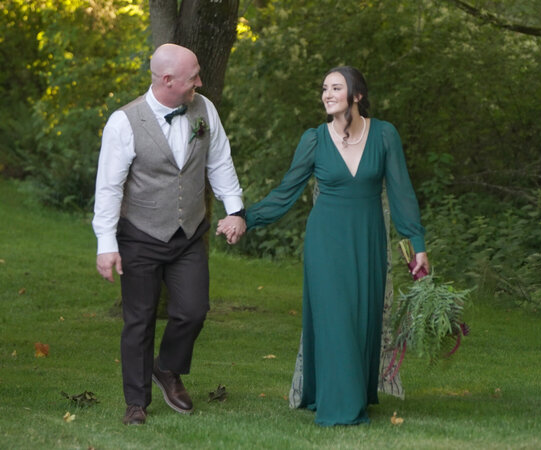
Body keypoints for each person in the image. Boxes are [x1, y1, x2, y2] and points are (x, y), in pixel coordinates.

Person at [218, 66, 428, 426]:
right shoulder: (314, 139)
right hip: (325, 242)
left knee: (361, 317)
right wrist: (244, 217)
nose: (327, 94)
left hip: (368, 240)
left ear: (357, 95)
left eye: (336, 88)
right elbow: (286, 192)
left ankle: (346, 392)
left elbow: (402, 194)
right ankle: (341, 408)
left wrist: (417, 245)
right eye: (324, 89)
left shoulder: (384, 135)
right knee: (334, 318)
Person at [92, 43, 246, 426]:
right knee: (139, 320)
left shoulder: (203, 109)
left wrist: (235, 210)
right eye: (194, 76)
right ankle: (136, 402)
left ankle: (168, 368)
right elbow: (109, 188)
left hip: (189, 233)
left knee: (193, 311)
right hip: (140, 235)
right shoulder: (124, 122)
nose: (200, 81)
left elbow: (220, 160)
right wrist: (106, 244)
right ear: (167, 80)